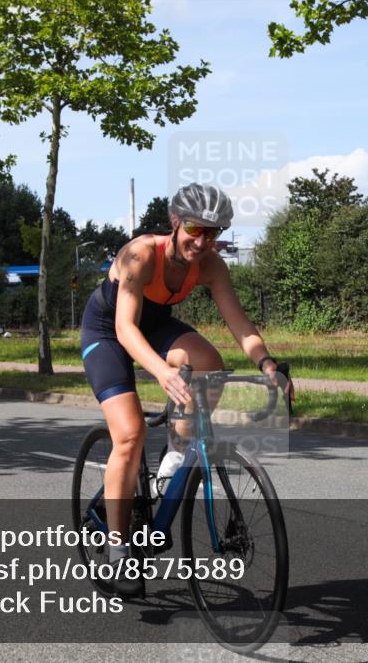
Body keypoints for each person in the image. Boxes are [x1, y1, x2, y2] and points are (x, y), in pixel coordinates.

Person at [80, 183, 293, 597]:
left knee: (210, 365)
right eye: (195, 229)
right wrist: (161, 372)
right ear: (175, 223)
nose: (202, 241)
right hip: (108, 328)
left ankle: (176, 450)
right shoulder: (140, 254)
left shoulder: (211, 265)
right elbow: (125, 327)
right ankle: (119, 549)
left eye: (212, 233)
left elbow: (239, 322)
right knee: (129, 434)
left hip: (155, 324)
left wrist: (267, 364)